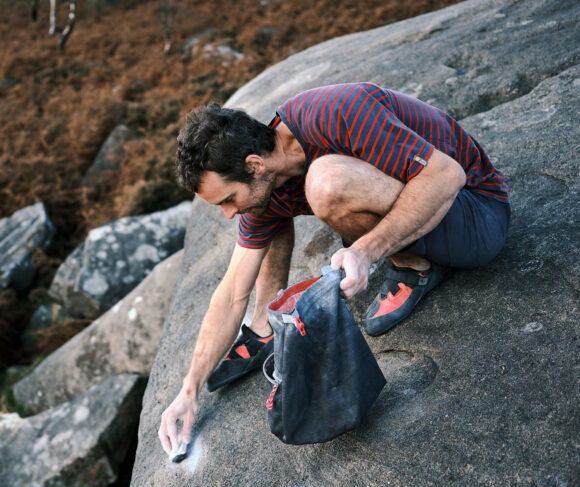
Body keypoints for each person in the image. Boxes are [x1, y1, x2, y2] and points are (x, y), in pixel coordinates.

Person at [158, 82, 510, 455]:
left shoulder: (332, 113)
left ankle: (414, 266)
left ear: (254, 165)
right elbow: (232, 292)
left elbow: (446, 176)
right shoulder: (269, 178)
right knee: (268, 218)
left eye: (228, 199)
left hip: (477, 213)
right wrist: (189, 390)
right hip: (427, 215)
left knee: (326, 183)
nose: (229, 213)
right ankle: (264, 326)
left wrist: (365, 251)